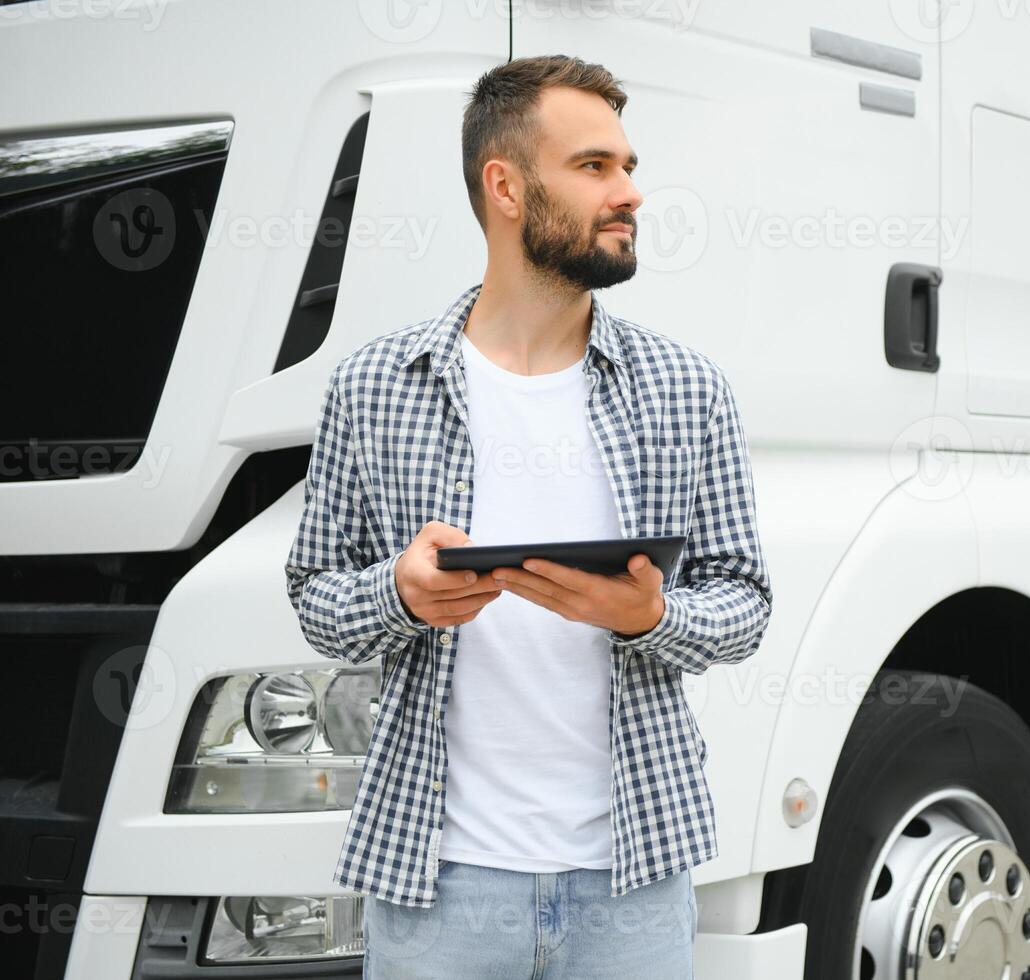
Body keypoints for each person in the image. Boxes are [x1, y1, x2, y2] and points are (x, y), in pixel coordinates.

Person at [284, 54, 773, 979]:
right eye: (594, 167)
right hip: (437, 882)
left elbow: (744, 600)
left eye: (628, 166)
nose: (628, 192)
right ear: (504, 187)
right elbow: (314, 596)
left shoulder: (684, 388)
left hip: (631, 884)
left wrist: (651, 616)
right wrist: (399, 592)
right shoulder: (378, 385)